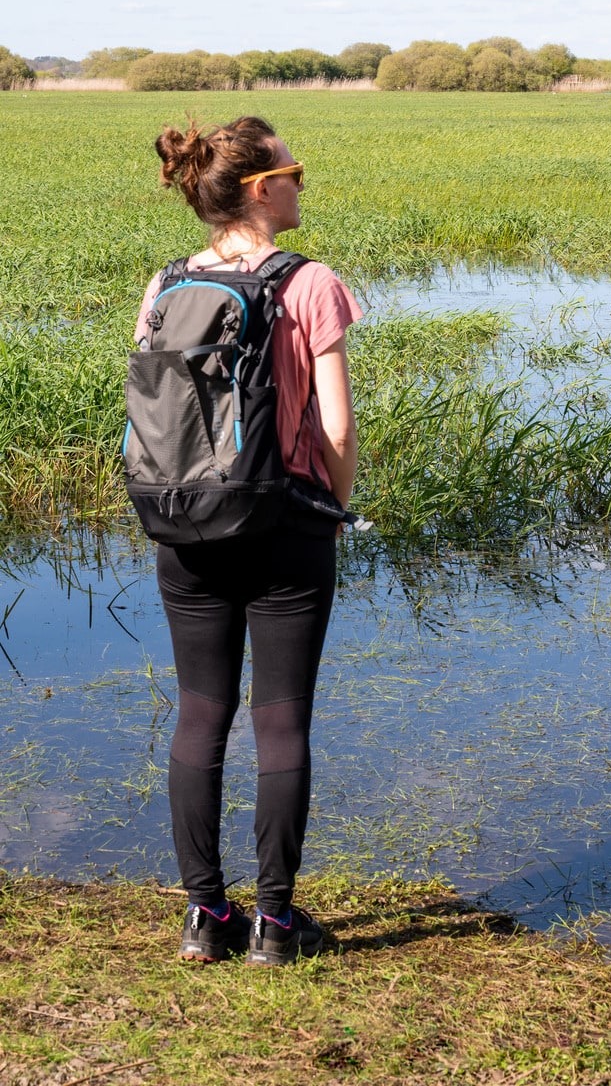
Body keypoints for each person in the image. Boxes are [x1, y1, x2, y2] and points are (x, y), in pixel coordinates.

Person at [135, 115, 361, 965]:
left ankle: (204, 916)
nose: (305, 182)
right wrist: (333, 508)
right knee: (280, 719)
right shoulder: (308, 283)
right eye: (295, 171)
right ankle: (273, 924)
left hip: (182, 527)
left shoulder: (164, 286)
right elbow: (335, 427)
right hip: (285, 525)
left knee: (199, 713)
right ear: (262, 189)